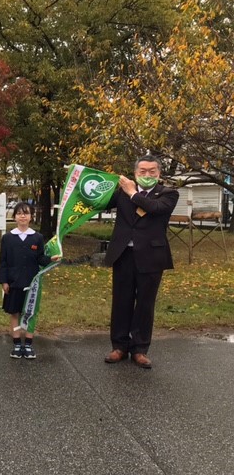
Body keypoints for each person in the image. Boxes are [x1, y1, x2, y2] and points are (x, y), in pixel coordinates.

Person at [104, 155, 179, 369]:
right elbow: (99, 202)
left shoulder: (168, 194)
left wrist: (132, 192)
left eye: (152, 171)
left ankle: (140, 349)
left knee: (145, 304)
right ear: (135, 173)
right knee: (121, 301)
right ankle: (119, 346)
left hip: (151, 257)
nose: (147, 175)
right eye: (142, 171)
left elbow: (155, 209)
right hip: (123, 255)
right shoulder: (122, 191)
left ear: (159, 173)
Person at [0, 202, 56, 360]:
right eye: (19, 213)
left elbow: (40, 259)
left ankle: (28, 344)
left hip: (32, 284)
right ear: (15, 216)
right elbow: (3, 261)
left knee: (30, 313)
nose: (22, 216)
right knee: (15, 313)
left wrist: (52, 258)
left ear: (31, 216)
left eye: (26, 213)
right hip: (13, 282)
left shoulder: (37, 237)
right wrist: (4, 281)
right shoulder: (8, 238)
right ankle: (17, 344)